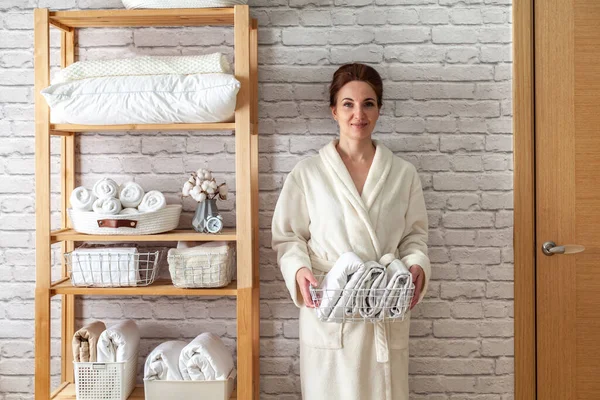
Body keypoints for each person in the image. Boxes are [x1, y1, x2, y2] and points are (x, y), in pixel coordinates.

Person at [271, 63, 430, 400]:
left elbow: (414, 237)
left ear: (379, 109)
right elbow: (288, 237)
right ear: (334, 110)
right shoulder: (308, 173)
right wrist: (299, 271)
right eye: (348, 103)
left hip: (383, 308)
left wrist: (416, 265)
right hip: (331, 309)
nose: (359, 113)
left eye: (368, 103)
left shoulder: (403, 173)